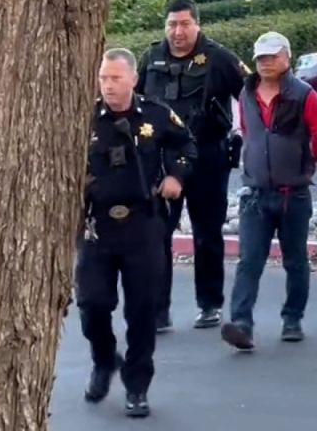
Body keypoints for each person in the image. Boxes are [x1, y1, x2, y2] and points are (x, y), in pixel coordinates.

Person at [80, 49, 196, 418]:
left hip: (142, 224)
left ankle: (137, 385)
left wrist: (176, 176)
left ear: (133, 79)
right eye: (103, 78)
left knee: (142, 311)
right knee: (92, 304)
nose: (108, 86)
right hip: (97, 226)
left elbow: (186, 145)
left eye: (115, 78)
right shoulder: (84, 118)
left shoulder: (156, 115)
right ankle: (103, 359)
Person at [136, 0, 248, 332]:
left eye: (184, 24)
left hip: (208, 156)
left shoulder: (219, 58)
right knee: (158, 235)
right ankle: (158, 310)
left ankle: (209, 304)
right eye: (172, 24)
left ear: (197, 25)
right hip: (163, 160)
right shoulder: (151, 58)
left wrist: (245, 135)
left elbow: (253, 93)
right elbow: (135, 102)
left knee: (207, 233)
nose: (177, 31)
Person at [221, 33, 317, 351]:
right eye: (261, 57)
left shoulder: (303, 94)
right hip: (256, 192)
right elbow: (247, 130)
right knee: (249, 261)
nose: (266, 62)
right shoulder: (247, 94)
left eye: (272, 56)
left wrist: (306, 159)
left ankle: (292, 319)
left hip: (293, 193)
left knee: (295, 260)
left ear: (287, 57)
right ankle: (241, 322)